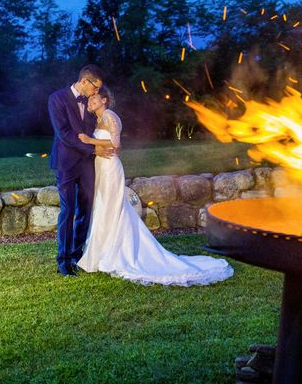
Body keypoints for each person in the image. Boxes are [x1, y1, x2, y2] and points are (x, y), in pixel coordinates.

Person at [75, 86, 234, 286]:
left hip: (110, 168)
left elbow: (116, 144)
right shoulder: (98, 119)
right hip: (101, 165)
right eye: (89, 99)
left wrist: (89, 140)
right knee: (103, 207)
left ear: (105, 100)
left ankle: (116, 252)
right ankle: (102, 251)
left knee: (112, 208)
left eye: (94, 98)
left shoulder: (109, 115)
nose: (90, 101)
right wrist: (95, 150)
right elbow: (105, 146)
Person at [48, 64, 114, 277]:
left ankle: (78, 256)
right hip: (66, 163)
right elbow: (64, 133)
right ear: (85, 81)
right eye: (95, 87)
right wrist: (93, 149)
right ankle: (63, 261)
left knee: (85, 210)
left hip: (87, 165)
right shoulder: (57, 98)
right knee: (68, 211)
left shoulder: (91, 101)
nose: (96, 92)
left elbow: (99, 127)